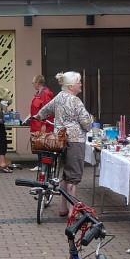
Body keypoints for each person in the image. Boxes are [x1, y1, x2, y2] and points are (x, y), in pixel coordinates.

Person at [33, 71, 93, 218]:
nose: (80, 84)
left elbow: (46, 110)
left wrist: (38, 116)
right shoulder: (76, 101)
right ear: (71, 86)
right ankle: (73, 211)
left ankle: (63, 207)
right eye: (79, 82)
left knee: (65, 174)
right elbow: (86, 123)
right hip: (75, 140)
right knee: (73, 176)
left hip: (60, 140)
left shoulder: (59, 97)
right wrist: (89, 126)